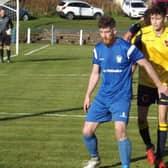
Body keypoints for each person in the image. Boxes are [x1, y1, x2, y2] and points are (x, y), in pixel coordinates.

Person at [82, 16, 168, 168]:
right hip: (103, 97)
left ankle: (125, 166)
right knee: (87, 132)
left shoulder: (127, 48)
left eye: (107, 32)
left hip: (121, 98)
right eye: (101, 32)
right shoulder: (98, 49)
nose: (104, 36)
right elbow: (95, 73)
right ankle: (95, 158)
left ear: (114, 31)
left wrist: (159, 86)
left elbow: (146, 64)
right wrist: (88, 95)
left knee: (119, 130)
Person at [131, 6, 168, 168]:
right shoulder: (143, 33)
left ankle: (159, 157)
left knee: (162, 118)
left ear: (164, 19)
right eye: (152, 18)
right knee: (141, 119)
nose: (155, 22)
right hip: (145, 83)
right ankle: (149, 146)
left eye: (158, 18)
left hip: (165, 84)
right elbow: (129, 49)